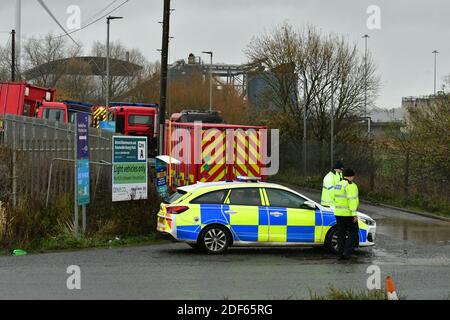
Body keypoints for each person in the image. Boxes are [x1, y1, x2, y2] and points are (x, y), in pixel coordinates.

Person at [334, 168, 360, 260]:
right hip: (348, 214)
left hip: (338, 213)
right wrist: (354, 214)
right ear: (351, 176)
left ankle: (340, 253)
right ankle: (347, 252)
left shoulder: (338, 184)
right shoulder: (351, 185)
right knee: (353, 231)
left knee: (341, 234)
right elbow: (352, 200)